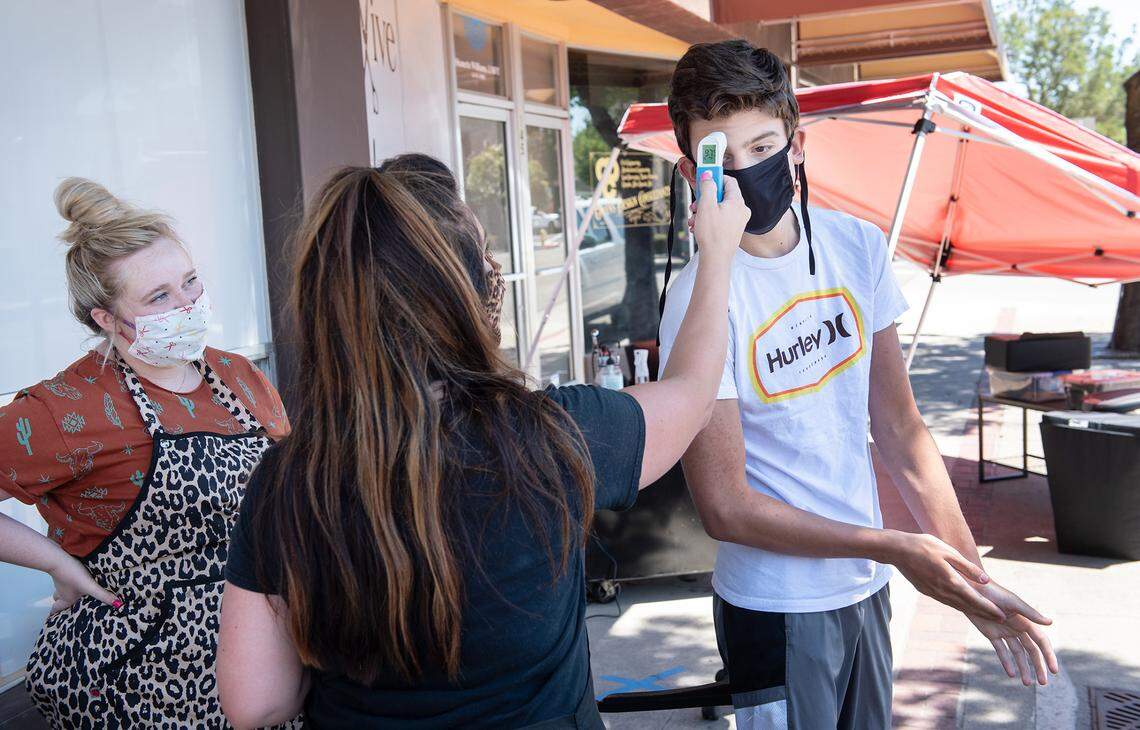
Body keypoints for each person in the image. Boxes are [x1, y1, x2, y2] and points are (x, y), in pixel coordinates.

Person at [215, 157, 749, 729]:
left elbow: (254, 701)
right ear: (466, 297)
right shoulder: (551, 435)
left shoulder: (288, 479)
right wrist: (715, 255)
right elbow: (693, 393)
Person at [657, 40, 1059, 729]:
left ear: (798, 144)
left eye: (764, 147)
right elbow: (724, 507)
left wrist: (972, 583)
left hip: (865, 590)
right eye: (727, 156)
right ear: (698, 172)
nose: (752, 171)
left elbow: (900, 430)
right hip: (774, 606)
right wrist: (893, 546)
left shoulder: (856, 246)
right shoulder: (698, 298)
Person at [0, 178, 295, 727]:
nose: (187, 306)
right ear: (105, 319)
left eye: (190, 283)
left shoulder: (240, 375)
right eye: (159, 297)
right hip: (142, 675)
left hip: (266, 655)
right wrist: (58, 563)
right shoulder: (68, 409)